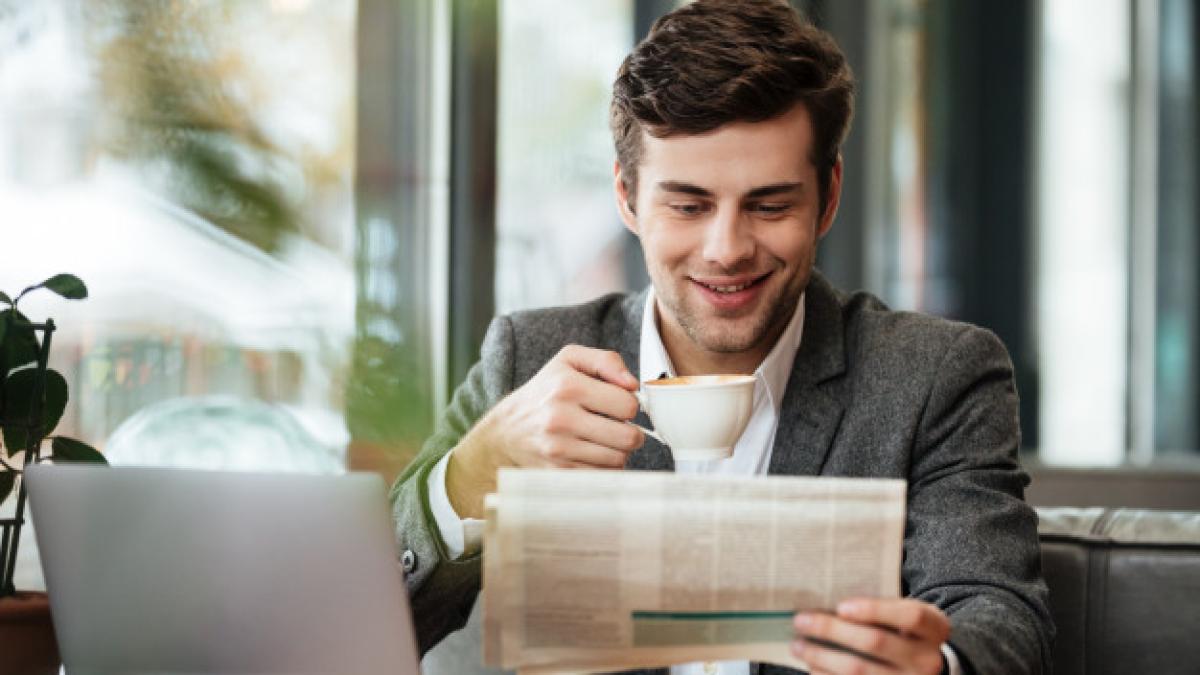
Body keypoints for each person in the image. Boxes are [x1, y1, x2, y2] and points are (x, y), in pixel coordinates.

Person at [390, 1, 1054, 673]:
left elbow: (998, 617)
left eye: (769, 205)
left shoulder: (936, 376)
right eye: (688, 204)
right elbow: (378, 621)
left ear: (828, 198)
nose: (727, 248)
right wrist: (473, 471)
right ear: (626, 196)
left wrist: (936, 665)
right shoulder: (527, 361)